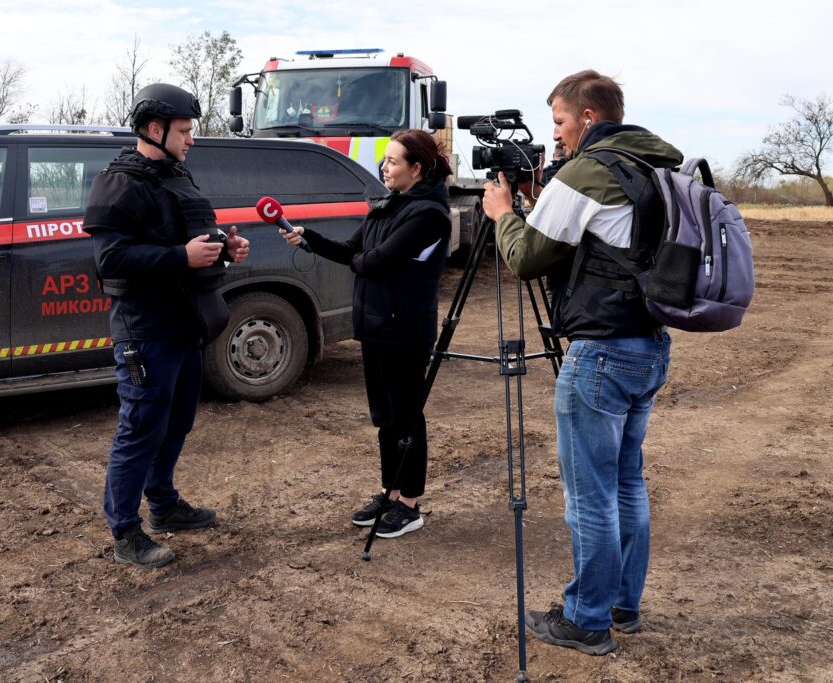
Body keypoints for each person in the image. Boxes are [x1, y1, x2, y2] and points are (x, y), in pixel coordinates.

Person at [483, 70, 681, 655]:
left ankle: (587, 619)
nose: (558, 135)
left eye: (561, 122)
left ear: (588, 118)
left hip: (600, 352)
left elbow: (526, 257)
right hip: (649, 344)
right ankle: (623, 605)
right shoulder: (657, 164)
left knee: (589, 494)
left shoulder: (589, 171)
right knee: (626, 483)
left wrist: (501, 214)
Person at [83, 83, 250, 569]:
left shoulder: (175, 177)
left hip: (185, 323)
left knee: (175, 422)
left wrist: (225, 245)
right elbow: (110, 258)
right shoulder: (119, 183)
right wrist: (181, 256)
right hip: (146, 329)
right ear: (154, 130)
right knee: (140, 429)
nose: (191, 139)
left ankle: (163, 505)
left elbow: (188, 236)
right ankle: (125, 533)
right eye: (184, 130)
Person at [281, 129, 452, 539]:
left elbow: (377, 262)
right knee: (384, 417)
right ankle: (388, 491)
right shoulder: (388, 206)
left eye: (393, 161)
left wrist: (363, 259)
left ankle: (409, 504)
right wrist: (310, 239)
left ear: (418, 168)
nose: (384, 167)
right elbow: (351, 251)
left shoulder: (429, 214)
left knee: (406, 417)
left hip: (405, 329)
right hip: (375, 326)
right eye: (385, 160)